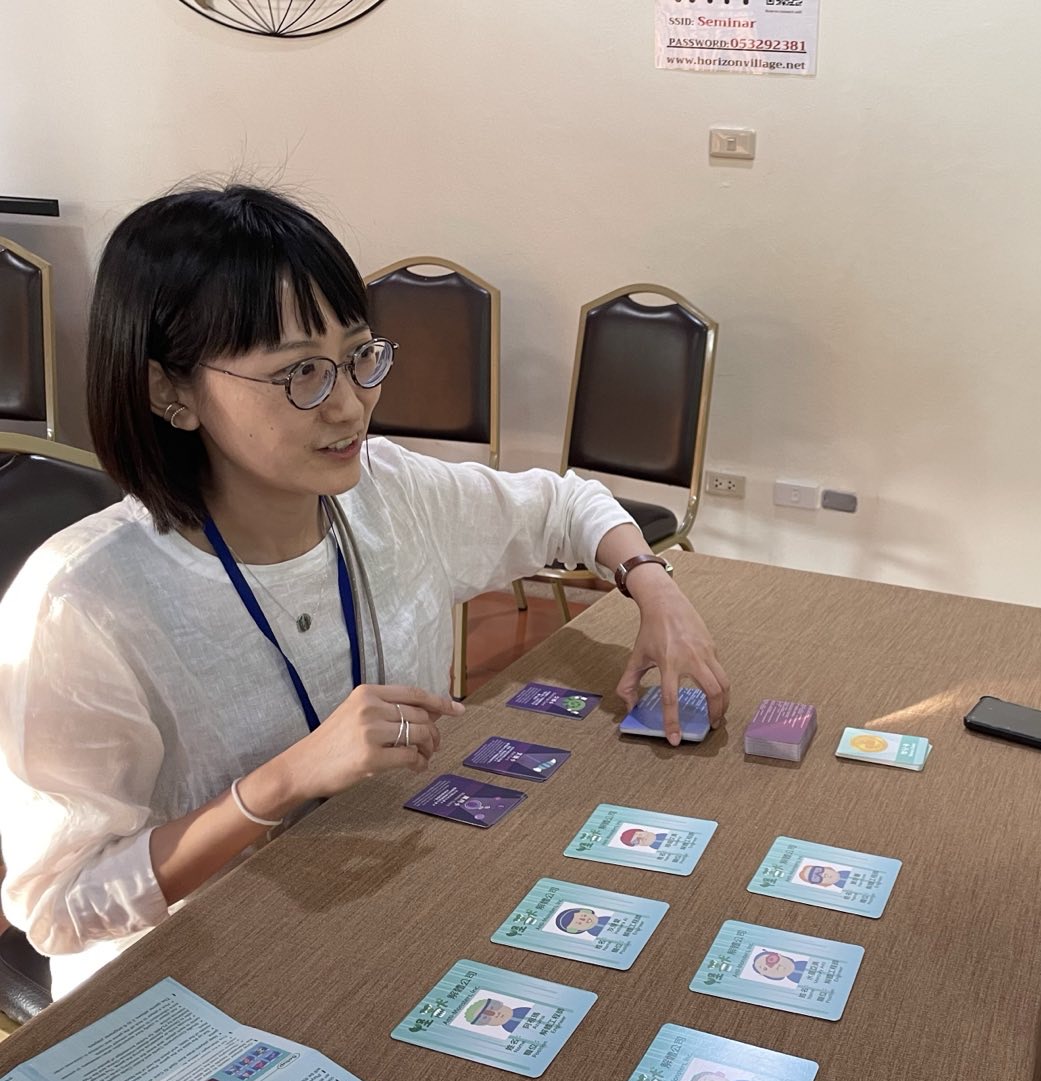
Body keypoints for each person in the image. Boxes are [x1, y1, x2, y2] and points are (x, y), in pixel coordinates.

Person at [0, 184, 730, 997]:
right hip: (191, 983)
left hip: (386, 910)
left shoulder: (385, 493)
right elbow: (60, 909)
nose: (351, 405)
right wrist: (280, 783)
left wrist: (654, 587)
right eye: (299, 373)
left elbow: (568, 504)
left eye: (359, 355)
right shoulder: (81, 605)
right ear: (169, 392)